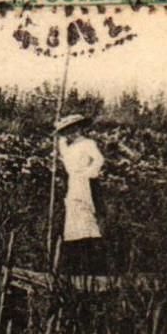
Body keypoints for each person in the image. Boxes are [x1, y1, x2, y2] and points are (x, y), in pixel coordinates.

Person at [55, 113, 106, 276]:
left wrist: (89, 173)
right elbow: (61, 146)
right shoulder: (67, 147)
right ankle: (75, 266)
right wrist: (58, 133)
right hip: (73, 184)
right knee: (73, 220)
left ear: (79, 128)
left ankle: (93, 265)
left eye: (74, 129)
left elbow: (99, 159)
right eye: (68, 131)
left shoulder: (87, 144)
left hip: (84, 183)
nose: (72, 133)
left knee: (86, 219)